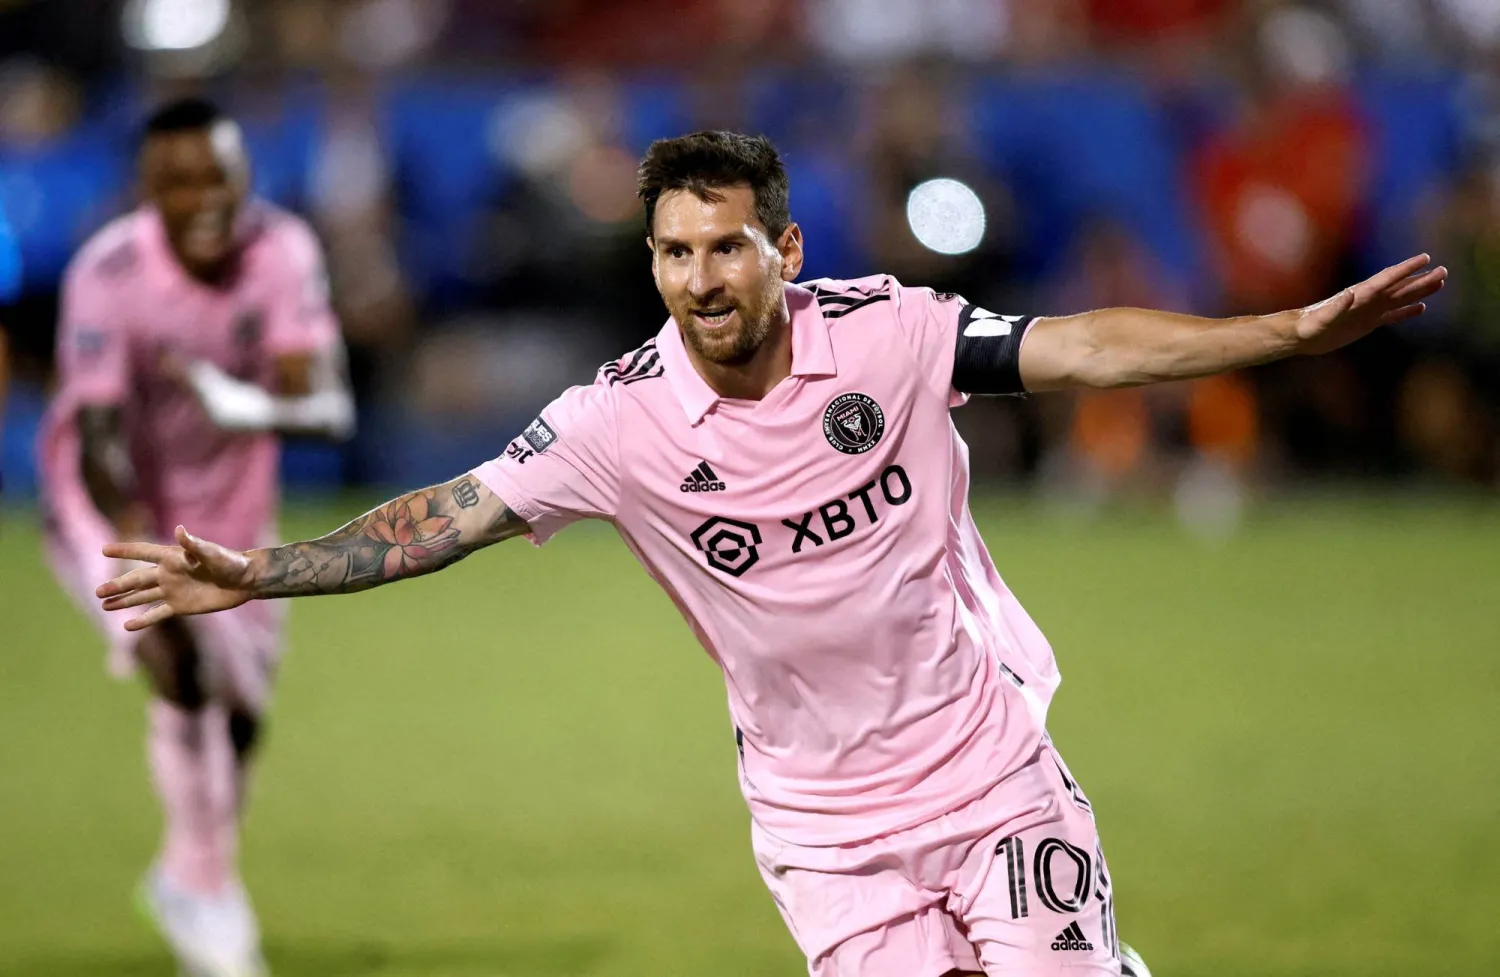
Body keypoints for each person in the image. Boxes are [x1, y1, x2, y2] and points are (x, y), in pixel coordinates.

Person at [97, 132, 1444, 977]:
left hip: (986, 770)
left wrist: (1285, 333)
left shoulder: (892, 334)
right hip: (823, 830)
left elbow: (1085, 344)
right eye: (674, 252)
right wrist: (262, 570)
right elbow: (448, 514)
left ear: (783, 251)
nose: (700, 277)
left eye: (726, 246)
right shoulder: (616, 420)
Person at [40, 97, 353, 977]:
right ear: (147, 189)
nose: (202, 197)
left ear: (243, 173)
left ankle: (185, 875)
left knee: (241, 721)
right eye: (177, 180)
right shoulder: (108, 272)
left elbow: (329, 407)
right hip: (114, 510)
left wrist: (241, 404)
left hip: (232, 513)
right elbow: (97, 433)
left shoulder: (283, 253)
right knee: (178, 663)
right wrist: (138, 540)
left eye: (216, 173)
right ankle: (214, 897)